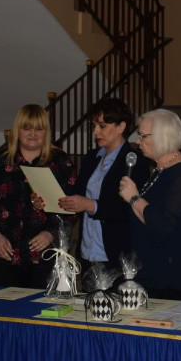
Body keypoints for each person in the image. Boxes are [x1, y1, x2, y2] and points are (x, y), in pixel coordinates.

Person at [0, 104, 77, 289]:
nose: (33, 134)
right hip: (6, 253)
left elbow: (72, 205)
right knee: (6, 305)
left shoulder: (61, 161)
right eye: (27, 128)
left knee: (43, 305)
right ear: (17, 130)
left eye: (39, 129)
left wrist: (50, 233)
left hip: (47, 255)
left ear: (46, 132)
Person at [118, 108, 181, 300]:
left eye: (143, 136)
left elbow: (163, 225)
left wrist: (134, 197)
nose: (137, 141)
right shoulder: (160, 170)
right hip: (153, 273)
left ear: (162, 137)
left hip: (177, 277)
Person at [58, 98, 152, 267]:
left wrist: (91, 205)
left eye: (102, 126)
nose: (95, 131)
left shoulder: (134, 161)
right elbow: (77, 194)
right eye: (94, 126)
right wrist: (51, 199)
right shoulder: (91, 158)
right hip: (87, 251)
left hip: (117, 254)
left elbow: (130, 209)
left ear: (121, 127)